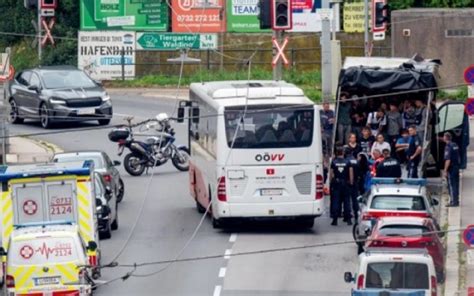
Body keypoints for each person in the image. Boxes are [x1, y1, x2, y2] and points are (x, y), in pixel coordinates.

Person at [330, 146, 354, 226]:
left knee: (336, 201)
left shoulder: (334, 162)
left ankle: (335, 219)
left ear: (337, 153)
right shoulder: (347, 162)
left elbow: (331, 174)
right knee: (347, 201)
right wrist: (351, 182)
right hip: (345, 183)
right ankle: (349, 219)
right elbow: (351, 173)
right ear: (343, 153)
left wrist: (331, 183)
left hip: (337, 183)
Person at [443, 132, 460, 207]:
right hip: (456, 167)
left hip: (451, 168)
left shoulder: (448, 147)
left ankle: (453, 202)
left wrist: (445, 170)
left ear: (445, 138)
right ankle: (456, 200)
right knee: (456, 184)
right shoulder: (455, 145)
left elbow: (448, 160)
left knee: (452, 185)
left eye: (443, 137)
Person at [345, 148, 361, 221]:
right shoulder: (356, 161)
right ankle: (356, 216)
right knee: (355, 200)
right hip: (356, 182)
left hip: (348, 182)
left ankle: (348, 217)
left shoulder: (346, 161)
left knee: (347, 200)